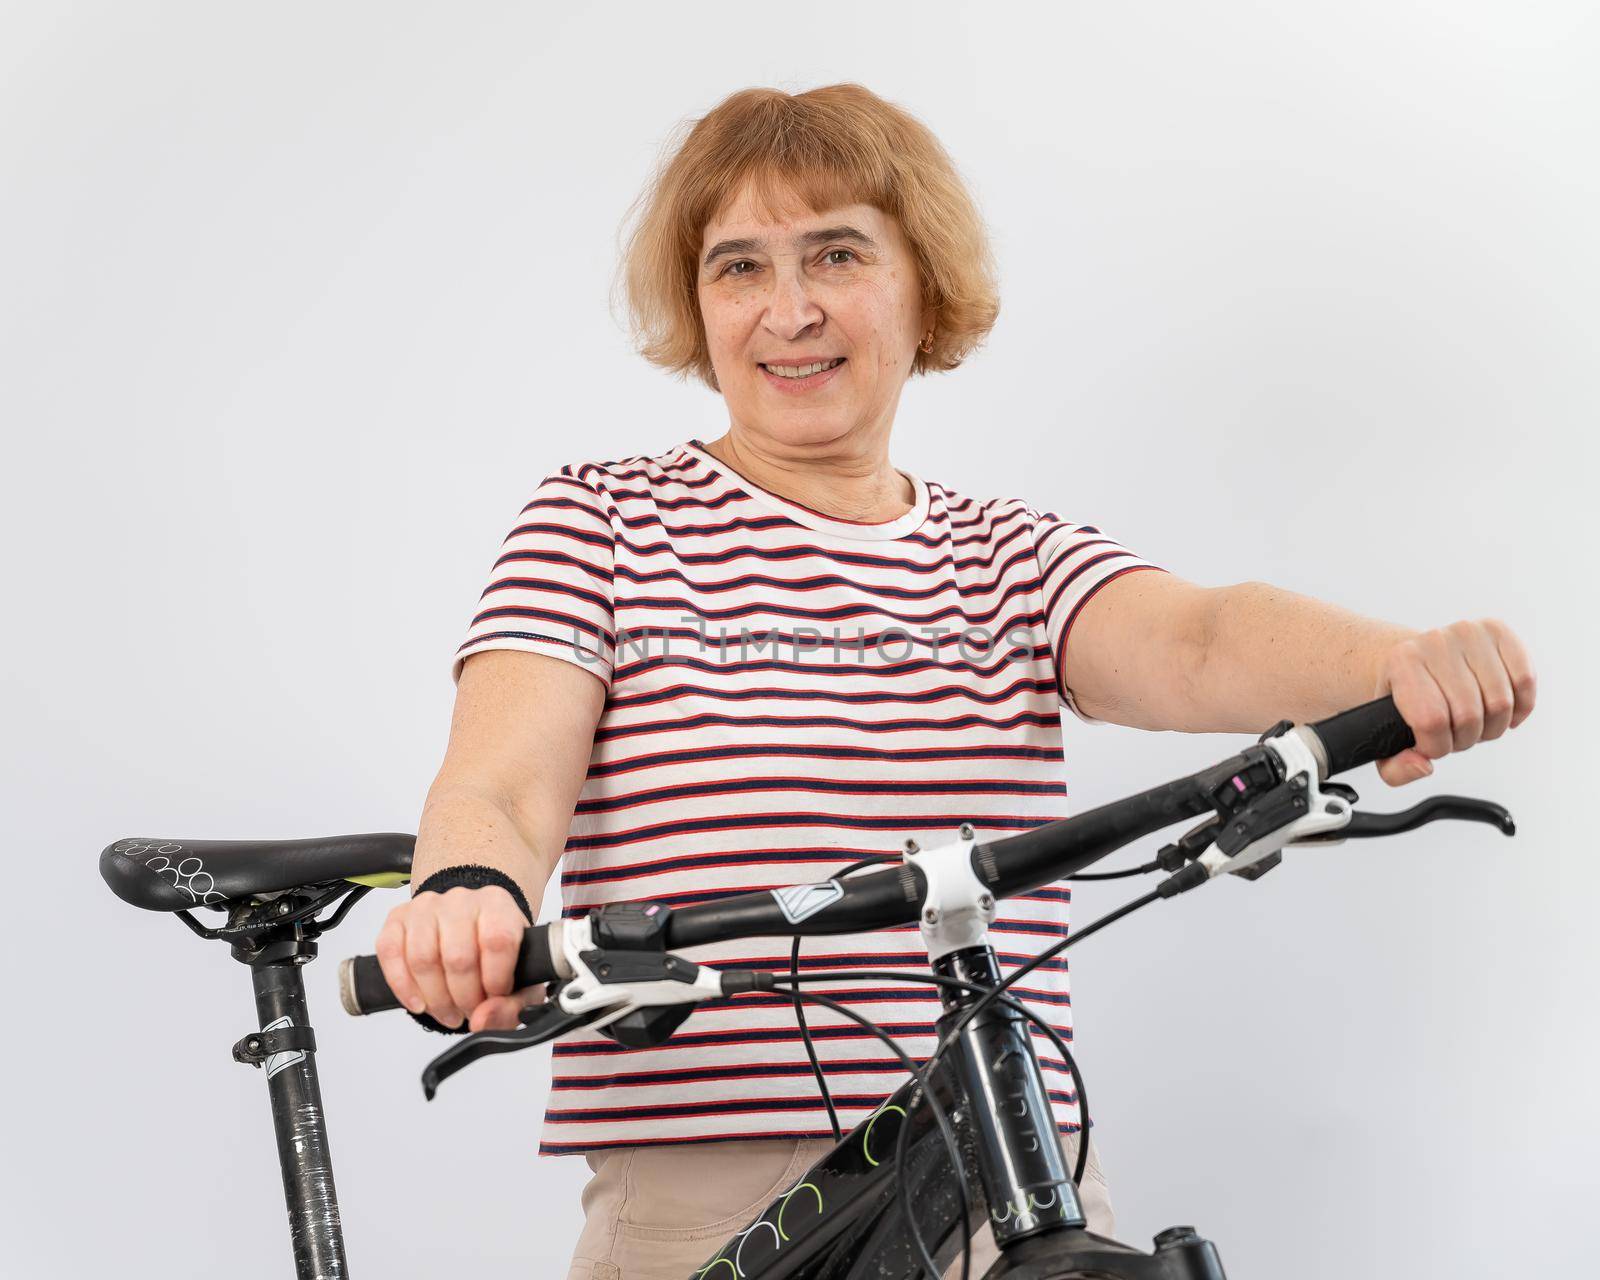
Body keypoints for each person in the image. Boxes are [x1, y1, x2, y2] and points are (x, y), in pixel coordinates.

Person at [371, 84, 1537, 1280]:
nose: (789, 309)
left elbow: (1195, 637)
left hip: (1005, 1155)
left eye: (836, 252)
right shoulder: (602, 520)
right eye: (737, 268)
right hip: (708, 1178)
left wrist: (1399, 664)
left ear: (920, 282)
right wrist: (471, 887)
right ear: (698, 303)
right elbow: (502, 788)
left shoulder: (1009, 555)